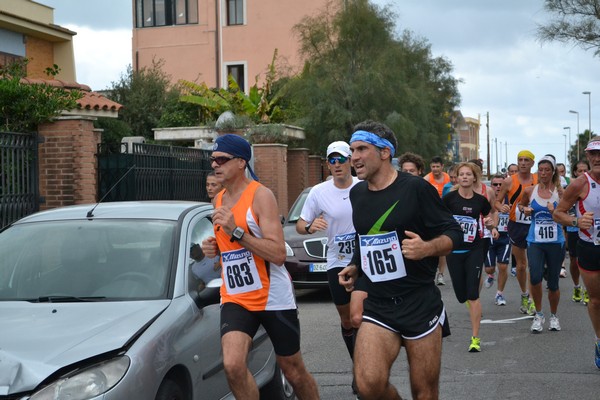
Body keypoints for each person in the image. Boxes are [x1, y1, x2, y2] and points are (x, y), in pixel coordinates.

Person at [338, 120, 463, 400]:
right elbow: (366, 237)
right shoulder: (357, 194)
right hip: (379, 303)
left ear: (385, 153)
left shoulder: (417, 189)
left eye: (361, 149)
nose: (353, 157)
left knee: (425, 393)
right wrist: (356, 265)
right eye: (352, 150)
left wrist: (426, 248)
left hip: (418, 301)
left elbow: (454, 233)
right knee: (368, 385)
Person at [200, 134, 319, 400]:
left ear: (241, 162)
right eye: (213, 160)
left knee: (293, 371)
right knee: (232, 365)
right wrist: (215, 249)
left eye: (222, 159)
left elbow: (277, 253)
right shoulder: (218, 200)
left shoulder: (261, 195)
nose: (215, 165)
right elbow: (230, 253)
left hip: (272, 297)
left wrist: (237, 231)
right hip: (236, 296)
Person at [296, 140, 360, 395]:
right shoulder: (318, 192)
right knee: (347, 319)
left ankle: (364, 370)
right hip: (336, 261)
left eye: (341, 159)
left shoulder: (363, 186)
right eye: (331, 160)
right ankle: (359, 364)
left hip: (363, 260)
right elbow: (301, 225)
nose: (336, 165)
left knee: (360, 316)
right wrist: (311, 227)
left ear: (350, 161)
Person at [553, 137, 600, 368]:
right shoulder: (580, 184)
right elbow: (558, 213)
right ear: (588, 157)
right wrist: (576, 220)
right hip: (590, 246)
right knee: (596, 300)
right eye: (593, 154)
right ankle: (599, 340)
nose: (598, 158)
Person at [443, 162, 495, 352]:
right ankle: (469, 299)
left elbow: (491, 217)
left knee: (473, 294)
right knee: (461, 295)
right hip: (454, 251)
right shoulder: (449, 199)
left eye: (468, 174)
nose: (465, 177)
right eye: (461, 174)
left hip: (475, 248)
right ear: (456, 178)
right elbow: (438, 218)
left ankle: (475, 338)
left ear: (475, 178)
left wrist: (492, 226)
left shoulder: (480, 201)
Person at [519, 155, 564, 333]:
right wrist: (525, 209)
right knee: (535, 277)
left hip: (555, 241)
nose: (543, 173)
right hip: (535, 241)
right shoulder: (530, 191)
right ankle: (539, 314)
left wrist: (557, 211)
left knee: (553, 283)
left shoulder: (560, 192)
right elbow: (520, 206)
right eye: (541, 170)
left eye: (547, 170)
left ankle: (554, 316)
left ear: (553, 172)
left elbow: (567, 214)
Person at [495, 150, 537, 315]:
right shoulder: (508, 181)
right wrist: (502, 207)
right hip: (516, 225)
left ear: (532, 163)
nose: (523, 163)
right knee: (521, 266)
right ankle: (524, 294)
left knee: (534, 264)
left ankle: (533, 300)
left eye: (527, 160)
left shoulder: (538, 179)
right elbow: (497, 202)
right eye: (520, 160)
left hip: (535, 224)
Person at [484, 173, 511, 306]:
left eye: (501, 184)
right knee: (489, 268)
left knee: (503, 266)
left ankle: (499, 294)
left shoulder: (510, 198)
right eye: (495, 184)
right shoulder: (487, 199)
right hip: (489, 237)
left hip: (505, 237)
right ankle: (490, 275)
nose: (498, 187)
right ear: (491, 185)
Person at [566, 160, 591, 304]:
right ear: (575, 172)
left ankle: (588, 289)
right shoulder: (573, 187)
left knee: (587, 262)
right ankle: (576, 286)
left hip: (591, 229)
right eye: (579, 171)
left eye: (584, 170)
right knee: (575, 260)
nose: (582, 173)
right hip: (574, 228)